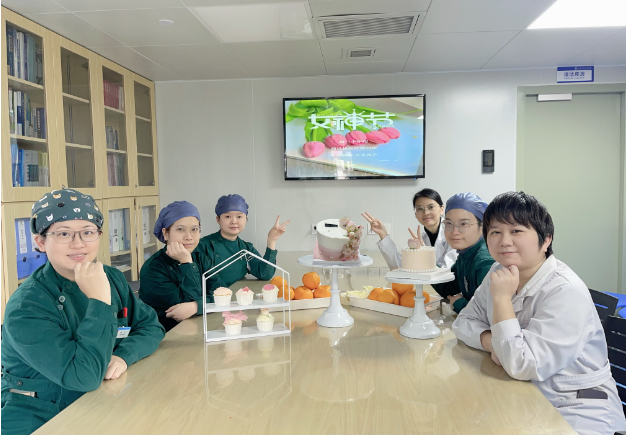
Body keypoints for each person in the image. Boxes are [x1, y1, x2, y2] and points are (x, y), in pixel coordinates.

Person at [452, 191, 626, 435]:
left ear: (546, 240)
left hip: (575, 406)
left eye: (516, 231)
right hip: (526, 394)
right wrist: (495, 344)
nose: (504, 241)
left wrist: (502, 299)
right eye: (495, 232)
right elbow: (463, 322)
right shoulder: (498, 271)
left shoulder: (565, 290)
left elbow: (521, 364)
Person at [1, 189, 165, 435]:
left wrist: (123, 356)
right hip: (39, 416)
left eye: (88, 232)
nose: (78, 243)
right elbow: (83, 377)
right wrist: (100, 301)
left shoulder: (110, 277)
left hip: (100, 402)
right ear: (40, 242)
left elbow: (151, 326)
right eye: (63, 233)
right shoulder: (26, 308)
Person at [139, 201, 217, 332]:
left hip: (202, 327)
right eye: (180, 229)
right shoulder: (152, 269)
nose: (189, 237)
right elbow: (184, 307)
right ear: (165, 233)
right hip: (166, 334)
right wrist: (186, 263)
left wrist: (196, 306)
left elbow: (223, 295)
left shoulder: (201, 258)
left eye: (194, 229)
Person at [196, 194, 289, 286]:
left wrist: (271, 240)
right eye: (228, 217)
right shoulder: (203, 246)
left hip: (237, 293)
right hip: (209, 295)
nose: (234, 221)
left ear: (246, 219)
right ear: (218, 219)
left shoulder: (246, 249)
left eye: (239, 217)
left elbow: (265, 274)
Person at [430, 192, 495, 313]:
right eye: (449, 223)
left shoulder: (485, 262)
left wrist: (459, 303)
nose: (454, 231)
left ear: (483, 226)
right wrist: (425, 260)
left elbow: (492, 313)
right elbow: (448, 288)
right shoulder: (465, 255)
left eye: (464, 224)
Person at [363, 188, 457, 269]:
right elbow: (402, 266)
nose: (426, 212)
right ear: (416, 214)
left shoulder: (455, 233)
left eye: (431, 207)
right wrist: (383, 234)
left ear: (442, 209)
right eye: (420, 209)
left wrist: (426, 253)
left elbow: (448, 270)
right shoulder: (421, 239)